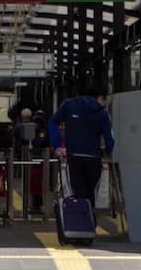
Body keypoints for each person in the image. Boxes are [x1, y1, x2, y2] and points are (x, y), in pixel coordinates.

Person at [48, 85, 115, 217]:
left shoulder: (69, 104)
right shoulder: (102, 113)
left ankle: (80, 223)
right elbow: (109, 138)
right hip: (94, 158)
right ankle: (90, 220)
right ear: (100, 97)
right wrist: (108, 151)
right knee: (91, 192)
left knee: (78, 191)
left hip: (74, 156)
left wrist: (56, 146)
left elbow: (53, 122)